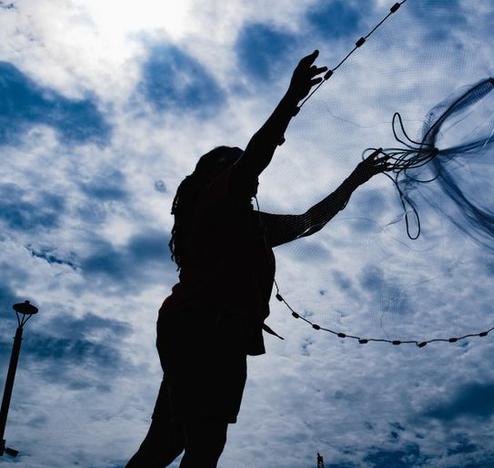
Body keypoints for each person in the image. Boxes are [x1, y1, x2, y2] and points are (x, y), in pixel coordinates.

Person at [126, 50, 389, 467]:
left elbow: (307, 222)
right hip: (205, 330)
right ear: (213, 174)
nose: (242, 171)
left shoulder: (248, 223)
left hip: (207, 331)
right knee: (204, 442)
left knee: (166, 442)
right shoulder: (215, 202)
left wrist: (354, 180)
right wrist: (291, 99)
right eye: (230, 163)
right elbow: (258, 152)